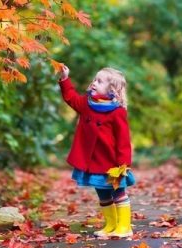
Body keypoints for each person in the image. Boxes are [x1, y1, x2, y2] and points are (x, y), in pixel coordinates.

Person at [58, 65, 135, 238]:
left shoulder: (117, 112)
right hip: (93, 160)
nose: (94, 83)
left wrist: (124, 165)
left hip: (112, 162)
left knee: (118, 192)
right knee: (102, 192)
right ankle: (111, 225)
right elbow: (70, 98)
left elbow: (123, 141)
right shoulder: (87, 103)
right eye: (95, 79)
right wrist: (65, 79)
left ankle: (124, 226)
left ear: (111, 89)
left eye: (99, 81)